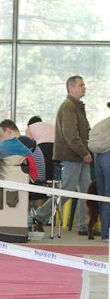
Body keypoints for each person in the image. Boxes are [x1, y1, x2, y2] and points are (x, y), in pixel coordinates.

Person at [34, 76, 92, 234]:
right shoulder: (68, 107)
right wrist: (84, 152)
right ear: (71, 88)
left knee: (86, 191)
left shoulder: (76, 107)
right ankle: (39, 216)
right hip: (71, 156)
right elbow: (71, 135)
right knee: (67, 190)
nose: (84, 87)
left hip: (78, 156)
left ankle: (84, 226)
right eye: (81, 85)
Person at [88, 103, 110, 241]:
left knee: (102, 196)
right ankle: (106, 234)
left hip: (98, 157)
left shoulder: (104, 124)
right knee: (109, 196)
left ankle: (104, 233)